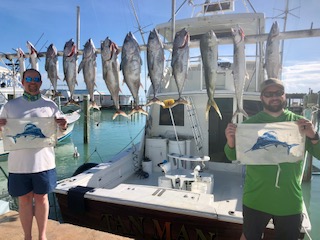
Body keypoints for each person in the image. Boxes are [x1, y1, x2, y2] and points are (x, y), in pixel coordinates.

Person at [224, 78, 320, 240]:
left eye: (278, 93)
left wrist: (314, 135)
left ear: (285, 95)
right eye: (269, 94)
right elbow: (232, 156)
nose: (274, 97)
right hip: (255, 199)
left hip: (289, 201)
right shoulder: (250, 124)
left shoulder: (301, 124)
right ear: (262, 97)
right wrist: (231, 142)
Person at [0, 69, 67, 240]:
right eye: (28, 78)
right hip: (18, 165)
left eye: (36, 79)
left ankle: (42, 236)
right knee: (24, 200)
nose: (32, 82)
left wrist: (63, 126)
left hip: (44, 163)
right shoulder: (10, 106)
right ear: (22, 82)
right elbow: (3, 135)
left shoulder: (50, 105)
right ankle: (27, 237)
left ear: (40, 83)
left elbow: (57, 135)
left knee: (42, 199)